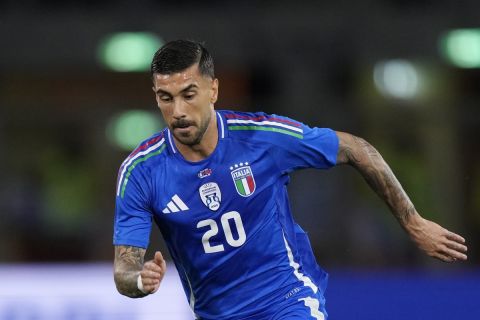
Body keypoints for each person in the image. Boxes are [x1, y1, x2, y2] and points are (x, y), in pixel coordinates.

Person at [113, 40, 468, 320]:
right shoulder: (141, 172)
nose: (178, 111)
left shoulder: (262, 137)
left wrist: (413, 221)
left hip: (287, 300)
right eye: (166, 98)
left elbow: (355, 149)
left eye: (188, 95)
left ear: (213, 90)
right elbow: (124, 270)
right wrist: (140, 280)